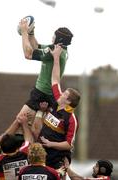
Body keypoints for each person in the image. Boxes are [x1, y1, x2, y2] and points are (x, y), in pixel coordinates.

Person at [16, 16, 74, 137]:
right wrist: (31, 33)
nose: (52, 37)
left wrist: (24, 33)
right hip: (48, 95)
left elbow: (28, 53)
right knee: (35, 131)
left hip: (41, 94)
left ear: (59, 39)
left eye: (54, 35)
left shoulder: (55, 51)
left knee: (20, 124)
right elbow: (36, 46)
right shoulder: (60, 50)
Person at [36, 44, 80, 178]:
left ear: (68, 101)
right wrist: (56, 58)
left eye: (64, 95)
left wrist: (51, 144)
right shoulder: (56, 102)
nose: (60, 94)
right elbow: (55, 79)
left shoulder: (71, 119)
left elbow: (68, 145)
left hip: (56, 160)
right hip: (42, 155)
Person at [0, 113, 33, 180]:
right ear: (17, 147)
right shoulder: (24, 153)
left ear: (2, 148)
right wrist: (24, 124)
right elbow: (29, 140)